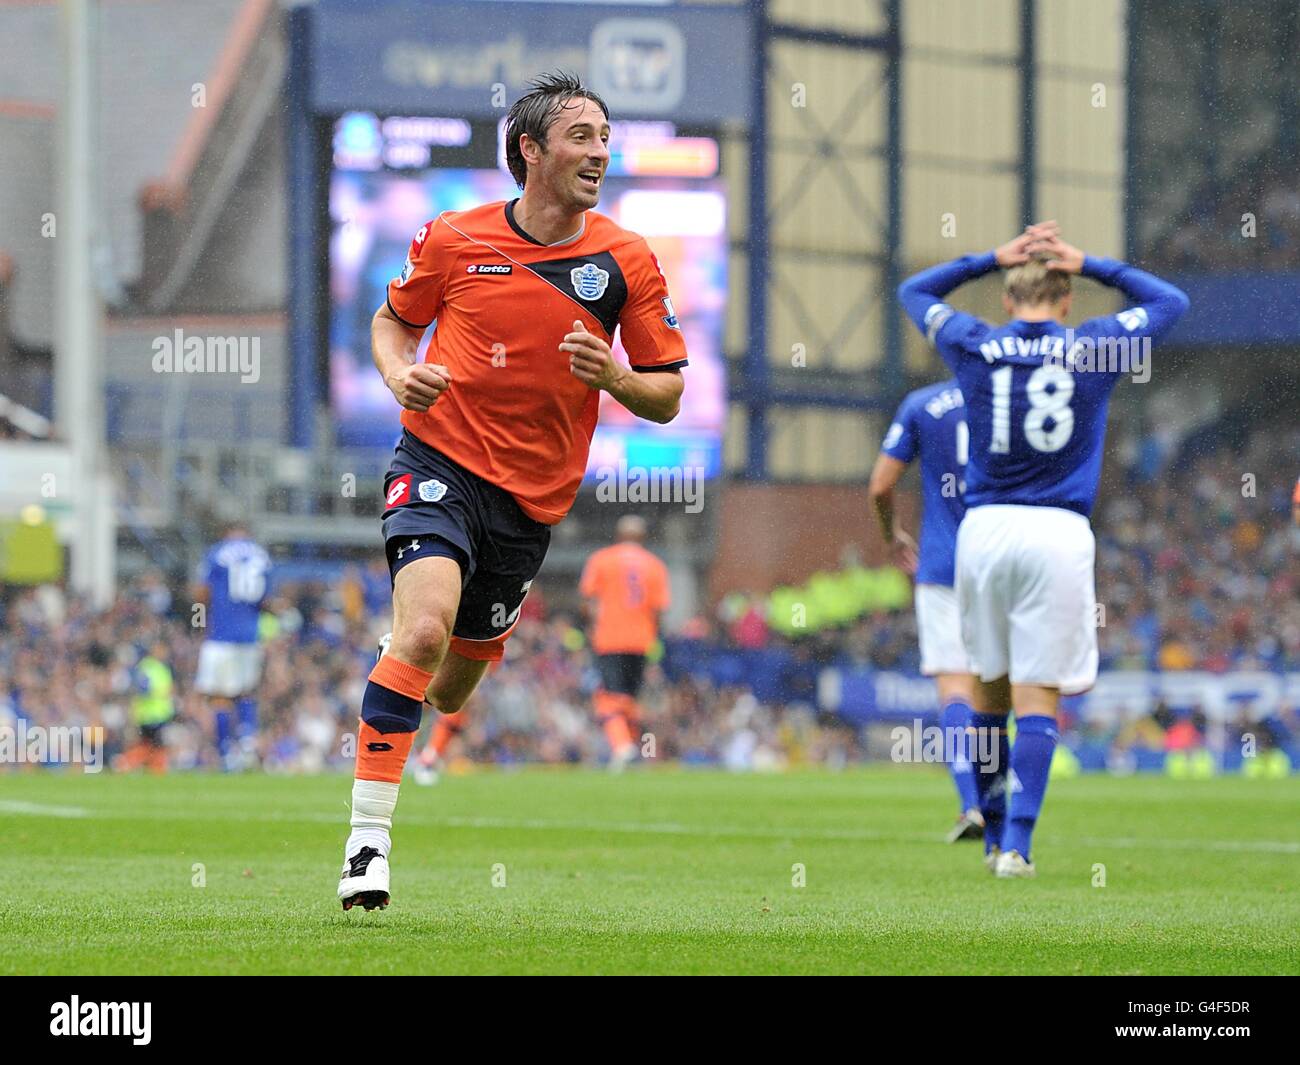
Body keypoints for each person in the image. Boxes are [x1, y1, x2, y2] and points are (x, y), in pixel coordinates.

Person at [338, 72, 688, 911]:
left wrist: (617, 375)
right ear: (529, 150)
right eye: (581, 136)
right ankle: (366, 845)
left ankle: (393, 684)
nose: (600, 152)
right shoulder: (454, 239)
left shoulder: (624, 258)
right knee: (420, 630)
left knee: (450, 683)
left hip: (531, 503)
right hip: (437, 459)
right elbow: (392, 321)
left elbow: (669, 392)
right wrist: (398, 374)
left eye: (605, 137)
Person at [898, 220, 1188, 877]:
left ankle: (993, 825)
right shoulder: (1095, 348)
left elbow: (914, 289)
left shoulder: (973, 343)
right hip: (1057, 531)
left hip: (984, 529)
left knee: (987, 694)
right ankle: (1017, 847)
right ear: (1065, 301)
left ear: (1006, 299)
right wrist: (1091, 263)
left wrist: (990, 255)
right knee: (1039, 698)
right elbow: (1172, 302)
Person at [868, 379, 982, 841]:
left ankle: (971, 804)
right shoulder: (1011, 393)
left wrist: (890, 534)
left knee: (954, 687)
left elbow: (880, 486)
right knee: (1002, 687)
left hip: (942, 562)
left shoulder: (922, 404)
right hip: (1007, 556)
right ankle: (1006, 806)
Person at [579, 515, 670, 769]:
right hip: (641, 640)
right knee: (629, 697)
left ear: (618, 535)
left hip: (609, 639)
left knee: (609, 696)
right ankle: (630, 752)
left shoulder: (601, 559)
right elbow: (659, 610)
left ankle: (623, 748)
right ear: (643, 538)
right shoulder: (655, 565)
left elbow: (587, 600)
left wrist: (596, 621)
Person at [193, 523, 270, 770]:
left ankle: (226, 753)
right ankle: (247, 745)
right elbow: (266, 598)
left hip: (222, 634)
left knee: (219, 696)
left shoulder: (217, 553)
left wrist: (202, 618)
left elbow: (201, 592)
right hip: (250, 634)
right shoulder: (261, 555)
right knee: (246, 692)